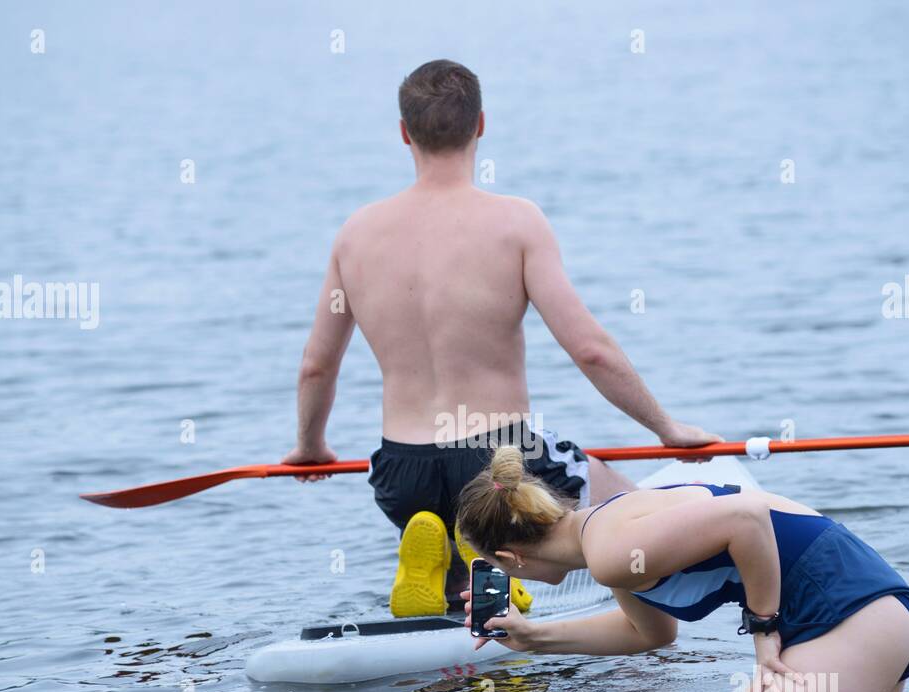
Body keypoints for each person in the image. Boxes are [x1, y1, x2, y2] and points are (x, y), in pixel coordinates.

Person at [280, 59, 720, 617]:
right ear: (480, 125)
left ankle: (457, 571)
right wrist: (668, 429)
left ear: (403, 132)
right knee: (634, 514)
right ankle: (507, 568)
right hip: (499, 463)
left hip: (401, 472)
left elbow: (316, 366)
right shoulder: (516, 223)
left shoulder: (356, 235)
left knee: (454, 558)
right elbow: (590, 349)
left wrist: (310, 447)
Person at [454, 446, 909, 692]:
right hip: (862, 611)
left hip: (846, 606)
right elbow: (649, 634)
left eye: (496, 567)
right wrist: (533, 638)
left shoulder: (610, 550)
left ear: (510, 558)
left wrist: (763, 630)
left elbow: (746, 518)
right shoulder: (604, 543)